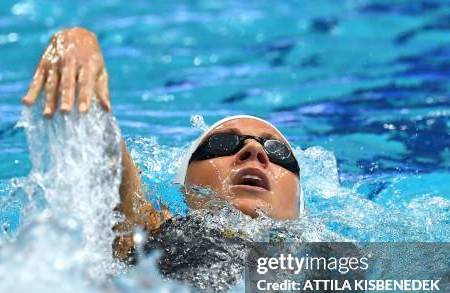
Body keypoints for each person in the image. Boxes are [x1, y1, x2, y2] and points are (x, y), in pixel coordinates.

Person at [22, 27, 303, 264]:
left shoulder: (322, 265)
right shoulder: (154, 233)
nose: (254, 152)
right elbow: (107, 158)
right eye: (223, 143)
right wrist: (77, 40)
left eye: (278, 152)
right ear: (185, 184)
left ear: (299, 203)